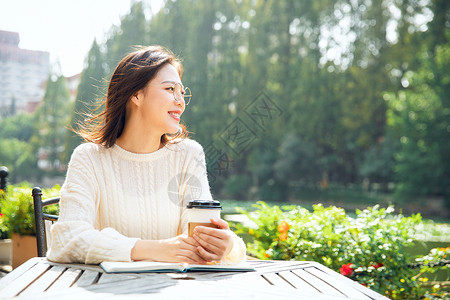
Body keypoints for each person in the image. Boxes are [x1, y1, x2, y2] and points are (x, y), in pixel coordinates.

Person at [48, 46, 246, 265]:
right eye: (170, 89)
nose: (180, 101)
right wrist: (157, 250)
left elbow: (200, 238)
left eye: (182, 92)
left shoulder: (189, 154)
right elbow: (66, 239)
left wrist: (226, 245)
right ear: (136, 94)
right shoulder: (89, 159)